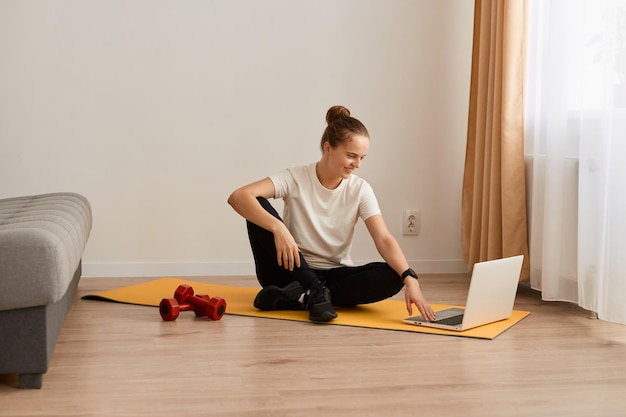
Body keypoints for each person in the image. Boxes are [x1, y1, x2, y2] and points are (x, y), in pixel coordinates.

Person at [227, 105, 436, 323]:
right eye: (351, 156)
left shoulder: (360, 189)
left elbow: (383, 238)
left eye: (362, 157)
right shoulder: (296, 177)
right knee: (257, 204)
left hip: (333, 274)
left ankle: (303, 296)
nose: (357, 164)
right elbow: (238, 196)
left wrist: (409, 277)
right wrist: (278, 228)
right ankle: (313, 290)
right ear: (328, 148)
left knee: (394, 275)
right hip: (289, 271)